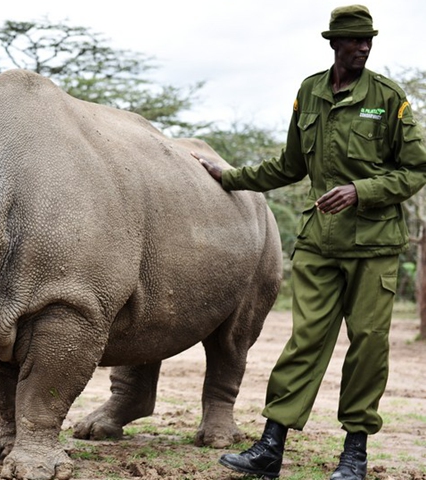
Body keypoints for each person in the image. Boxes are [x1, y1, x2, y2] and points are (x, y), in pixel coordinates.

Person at [192, 5, 426, 480]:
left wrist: (363, 191)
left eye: (368, 41)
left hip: (374, 246)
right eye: (354, 40)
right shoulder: (309, 92)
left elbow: (417, 167)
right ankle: (271, 448)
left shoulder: (388, 97)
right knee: (305, 342)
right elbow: (290, 164)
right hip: (320, 243)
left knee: (367, 345)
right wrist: (231, 176)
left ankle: (354, 454)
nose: (363, 47)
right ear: (334, 43)